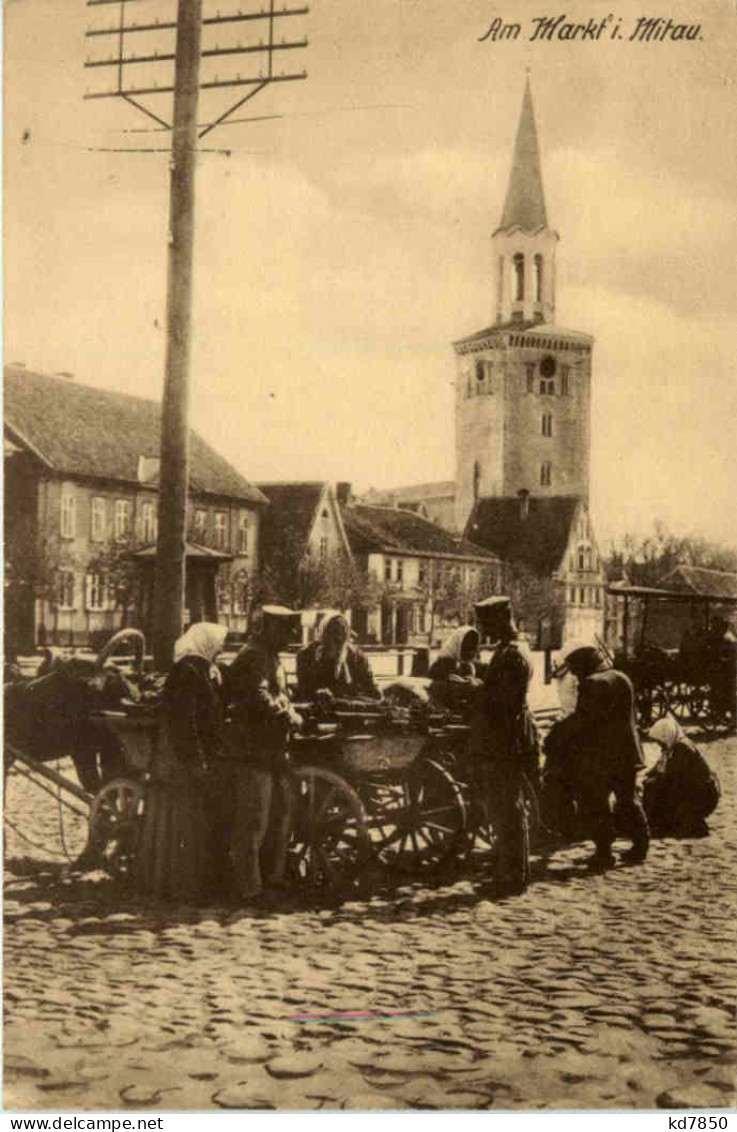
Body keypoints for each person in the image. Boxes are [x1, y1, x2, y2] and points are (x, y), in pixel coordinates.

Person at [136, 622, 228, 902]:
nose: (221, 649)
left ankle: (191, 883)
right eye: (219, 644)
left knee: (194, 823)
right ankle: (178, 885)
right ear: (206, 642)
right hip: (179, 759)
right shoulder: (186, 671)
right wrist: (196, 760)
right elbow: (183, 722)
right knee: (182, 822)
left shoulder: (202, 669)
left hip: (191, 755)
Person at [224, 606, 303, 902]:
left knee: (280, 814)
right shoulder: (253, 656)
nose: (290, 637)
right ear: (268, 628)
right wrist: (285, 712)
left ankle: (273, 877)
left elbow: (281, 693)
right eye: (285, 630)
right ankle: (249, 888)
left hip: (272, 749)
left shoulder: (271, 655)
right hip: (252, 749)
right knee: (254, 818)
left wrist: (289, 705)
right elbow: (258, 698)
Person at [470, 597, 538, 895]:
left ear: (501, 620)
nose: (482, 628)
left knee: (506, 808)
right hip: (510, 734)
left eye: (486, 623)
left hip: (505, 738)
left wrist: (477, 692)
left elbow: (504, 702)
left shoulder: (511, 654)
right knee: (508, 807)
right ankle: (512, 871)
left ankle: (511, 877)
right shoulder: (512, 648)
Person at [562, 645, 649, 870]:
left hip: (603, 757)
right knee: (628, 799)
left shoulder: (592, 684)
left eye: (575, 671)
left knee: (596, 802)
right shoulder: (621, 677)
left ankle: (604, 852)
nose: (575, 676)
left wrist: (561, 730)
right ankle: (641, 844)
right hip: (628, 752)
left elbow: (583, 722)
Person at [643, 715, 720, 837]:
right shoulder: (671, 747)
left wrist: (653, 781)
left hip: (703, 793)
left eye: (660, 741)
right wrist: (647, 777)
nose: (660, 745)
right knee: (652, 785)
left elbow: (672, 775)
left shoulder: (682, 748)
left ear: (666, 736)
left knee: (657, 789)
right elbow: (658, 768)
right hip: (691, 788)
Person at [295, 612, 382, 702]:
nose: (338, 638)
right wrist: (316, 693)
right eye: (334, 632)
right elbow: (303, 687)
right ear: (324, 633)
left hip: (349, 704)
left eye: (343, 632)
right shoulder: (307, 654)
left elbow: (370, 686)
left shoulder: (356, 656)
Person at [428, 625, 482, 712]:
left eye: (474, 648)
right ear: (458, 645)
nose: (472, 652)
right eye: (467, 648)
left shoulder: (471, 665)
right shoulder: (441, 665)